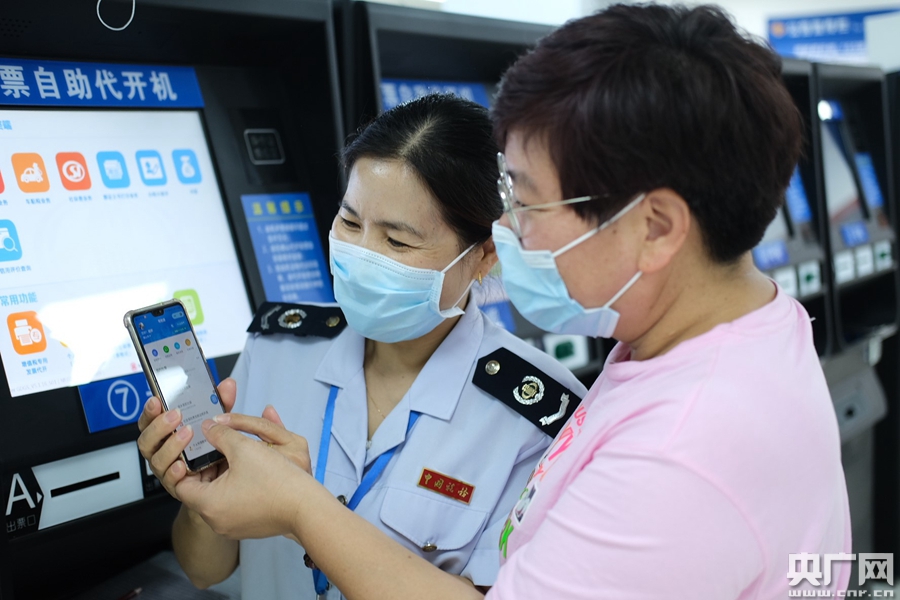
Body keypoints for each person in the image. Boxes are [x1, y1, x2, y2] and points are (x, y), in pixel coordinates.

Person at [171, 4, 852, 599]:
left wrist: (300, 507)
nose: (508, 231)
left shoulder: (681, 456)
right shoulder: (723, 339)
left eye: (529, 201)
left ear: (655, 227)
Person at [136, 94, 587, 599]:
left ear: (484, 256)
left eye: (397, 242)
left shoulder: (537, 419)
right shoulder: (276, 347)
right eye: (350, 223)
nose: (361, 255)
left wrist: (298, 509)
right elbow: (204, 570)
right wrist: (200, 495)